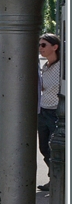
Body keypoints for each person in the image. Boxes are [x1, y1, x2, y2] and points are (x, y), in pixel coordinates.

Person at [37, 33, 61, 192]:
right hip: (43, 110)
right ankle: (54, 177)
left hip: (57, 113)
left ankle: (58, 180)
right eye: (39, 45)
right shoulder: (45, 66)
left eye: (44, 45)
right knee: (44, 148)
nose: (40, 48)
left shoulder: (62, 67)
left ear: (55, 47)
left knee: (56, 148)